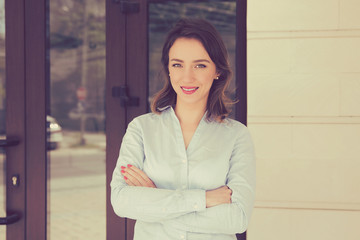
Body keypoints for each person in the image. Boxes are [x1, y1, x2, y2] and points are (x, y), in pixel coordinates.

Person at [110, 18, 256, 240]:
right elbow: (121, 202)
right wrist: (203, 199)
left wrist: (155, 203)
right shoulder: (141, 129)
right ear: (168, 69)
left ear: (217, 70)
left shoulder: (236, 136)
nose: (187, 77)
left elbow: (237, 218)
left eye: (200, 65)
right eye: (177, 64)